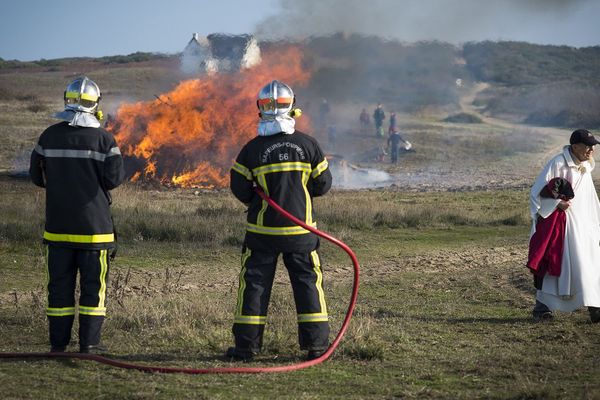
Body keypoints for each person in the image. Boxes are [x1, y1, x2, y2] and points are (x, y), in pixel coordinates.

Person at [228, 80, 333, 361]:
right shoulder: (308, 145)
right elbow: (323, 184)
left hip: (262, 233)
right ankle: (316, 346)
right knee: (307, 284)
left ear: (260, 108)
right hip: (301, 231)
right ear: (292, 106)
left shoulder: (251, 150)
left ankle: (246, 348)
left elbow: (239, 189)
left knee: (254, 285)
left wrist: (259, 200)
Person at [29, 76, 125, 353]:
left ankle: (58, 344)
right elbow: (113, 180)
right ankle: (89, 344)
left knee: (59, 289)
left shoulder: (49, 136)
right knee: (94, 290)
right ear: (96, 104)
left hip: (57, 229)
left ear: (66, 101)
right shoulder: (104, 139)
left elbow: (37, 177)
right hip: (95, 232)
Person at [528, 129, 600, 323]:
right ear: (575, 146)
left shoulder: (585, 167)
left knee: (588, 264)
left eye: (593, 145)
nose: (591, 149)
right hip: (559, 225)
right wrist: (557, 204)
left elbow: (589, 199)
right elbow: (537, 193)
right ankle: (542, 308)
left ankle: (595, 308)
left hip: (582, 226)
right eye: (588, 145)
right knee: (552, 263)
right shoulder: (558, 163)